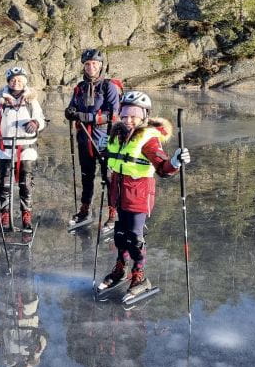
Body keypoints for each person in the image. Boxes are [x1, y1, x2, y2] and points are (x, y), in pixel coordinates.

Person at [97, 91, 190, 299]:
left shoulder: (148, 139)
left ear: (144, 116)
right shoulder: (117, 133)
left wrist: (175, 161)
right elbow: (113, 160)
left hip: (138, 194)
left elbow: (163, 168)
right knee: (120, 234)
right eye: (125, 114)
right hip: (118, 192)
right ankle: (120, 269)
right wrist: (103, 150)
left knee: (134, 237)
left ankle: (139, 276)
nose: (129, 120)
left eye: (134, 115)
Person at [64, 48, 121, 231]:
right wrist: (70, 112)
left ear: (100, 65)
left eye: (94, 64)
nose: (91, 67)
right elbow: (73, 107)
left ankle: (113, 214)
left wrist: (87, 117)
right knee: (86, 176)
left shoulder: (108, 86)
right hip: (83, 139)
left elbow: (113, 114)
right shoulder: (79, 87)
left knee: (109, 177)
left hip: (104, 138)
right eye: (87, 64)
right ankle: (85, 210)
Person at [0, 66, 46, 236]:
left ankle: (26, 216)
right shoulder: (1, 102)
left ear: (25, 82)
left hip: (26, 149)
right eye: (13, 80)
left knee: (25, 184)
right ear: (8, 82)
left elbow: (41, 120)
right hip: (5, 150)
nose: (16, 83)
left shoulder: (31, 101)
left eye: (20, 80)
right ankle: (5, 217)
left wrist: (35, 124)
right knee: (5, 185)